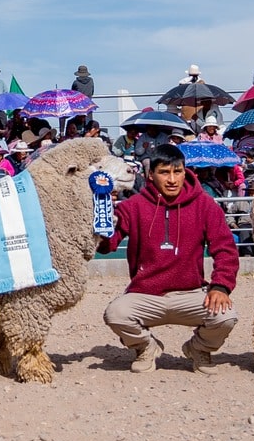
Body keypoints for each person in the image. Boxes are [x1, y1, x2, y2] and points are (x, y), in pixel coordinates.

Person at [97, 143, 238, 373]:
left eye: (177, 171)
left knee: (226, 316)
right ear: (150, 175)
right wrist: (102, 215)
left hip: (191, 293)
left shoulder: (205, 206)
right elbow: (107, 246)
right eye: (164, 172)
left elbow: (225, 249)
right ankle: (146, 347)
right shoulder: (132, 207)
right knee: (116, 314)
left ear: (185, 171)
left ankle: (199, 348)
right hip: (145, 294)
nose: (172, 179)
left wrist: (220, 286)